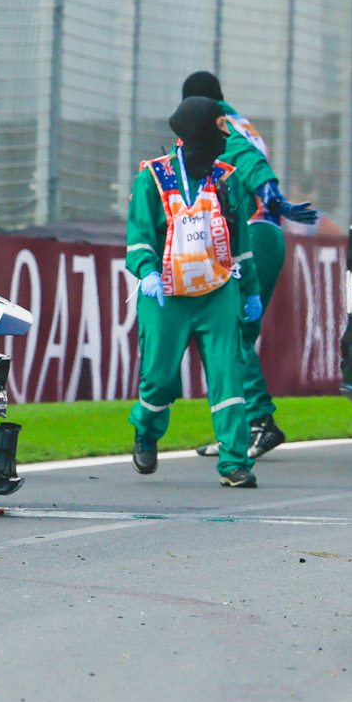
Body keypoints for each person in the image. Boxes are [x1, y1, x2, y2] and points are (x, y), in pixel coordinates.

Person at [178, 72, 319, 465]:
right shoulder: (242, 121)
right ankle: (236, 430)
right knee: (230, 333)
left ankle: (259, 422)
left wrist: (270, 189)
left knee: (227, 331)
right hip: (261, 232)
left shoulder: (216, 123)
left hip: (247, 236)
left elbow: (244, 157)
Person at [126, 96, 260, 486]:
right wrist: (146, 273)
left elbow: (241, 240)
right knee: (159, 376)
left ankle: (235, 462)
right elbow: (139, 237)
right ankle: (146, 429)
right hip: (166, 293)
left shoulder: (227, 178)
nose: (226, 135)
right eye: (220, 126)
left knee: (227, 374)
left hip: (218, 289)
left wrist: (249, 290)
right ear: (200, 129)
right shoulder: (151, 178)